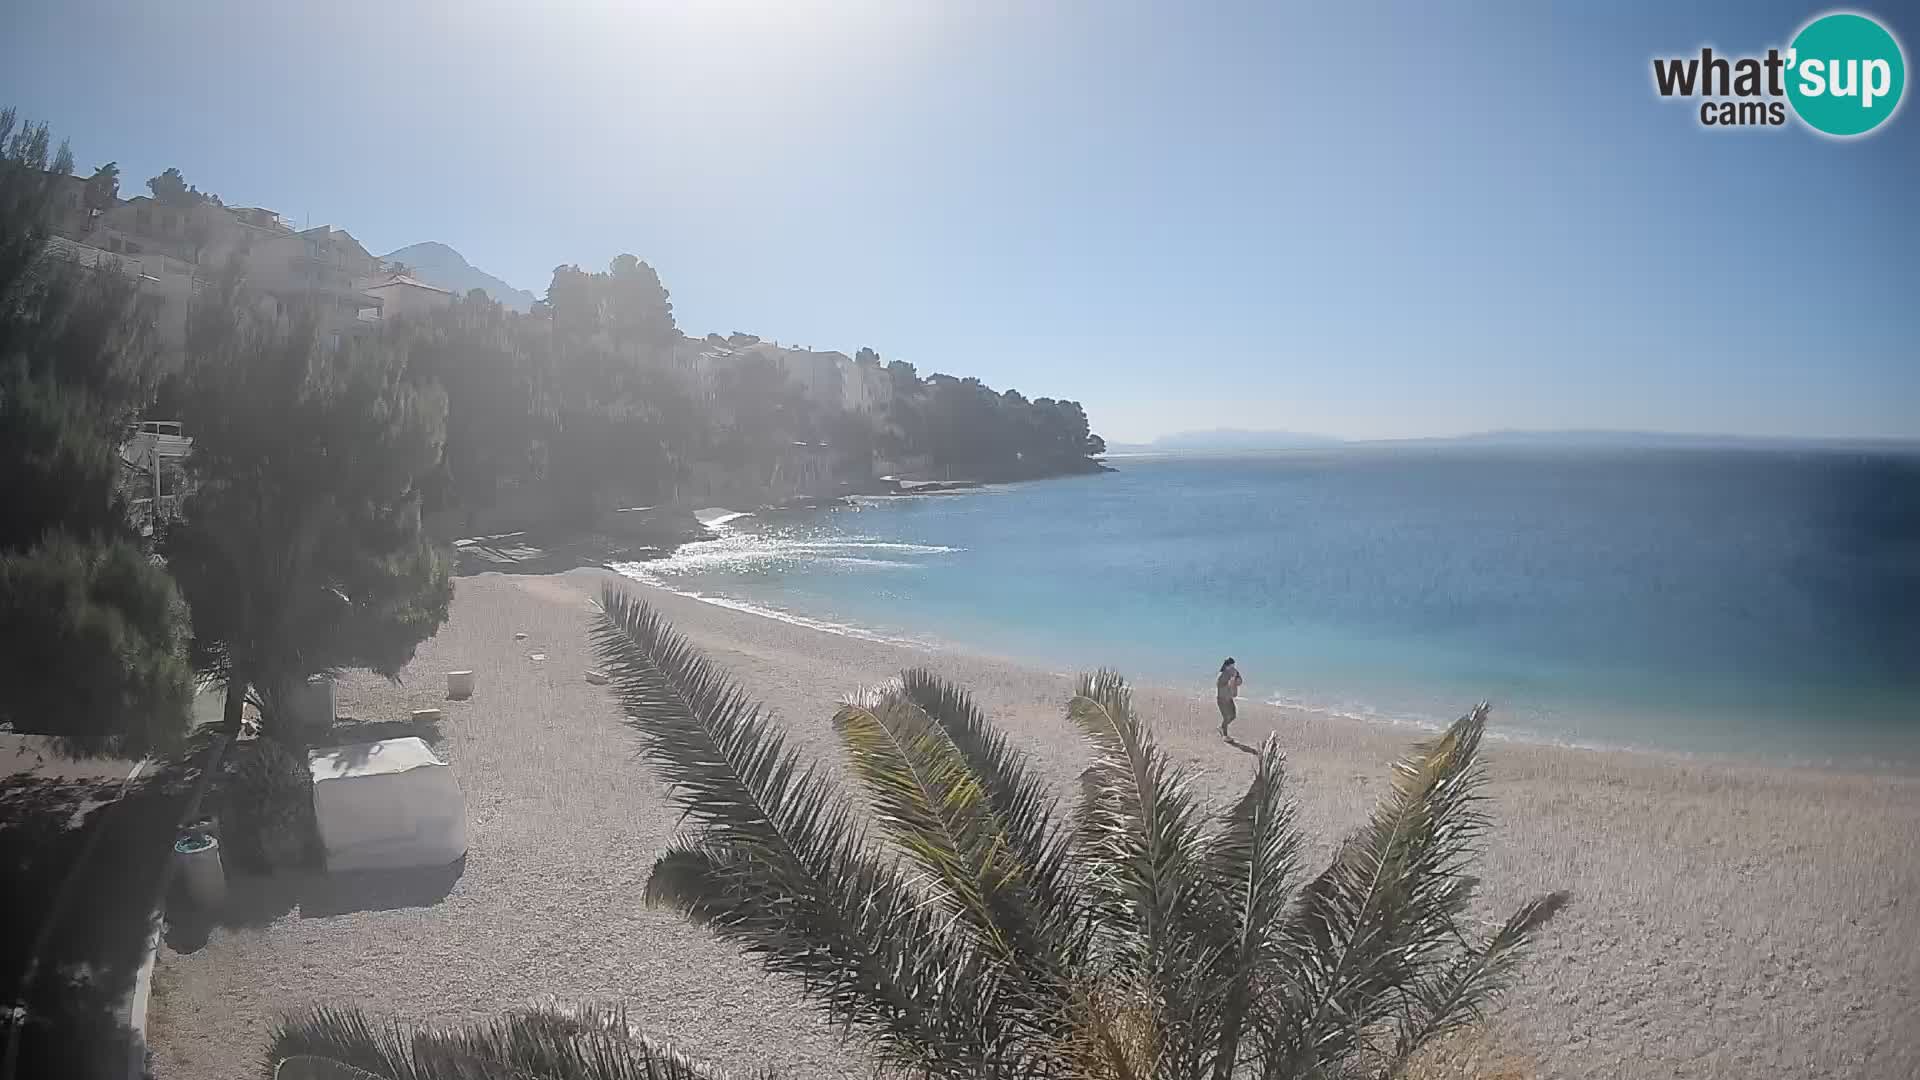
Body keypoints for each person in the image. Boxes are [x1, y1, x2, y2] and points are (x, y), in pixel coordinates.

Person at [1216, 657, 1242, 736]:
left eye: (1233, 665)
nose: (1233, 667)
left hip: (1229, 699)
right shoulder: (1222, 674)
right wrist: (1229, 683)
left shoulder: (1235, 672)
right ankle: (1225, 735)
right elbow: (1219, 686)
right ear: (1227, 666)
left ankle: (1221, 727)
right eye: (1231, 666)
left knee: (1233, 716)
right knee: (1226, 717)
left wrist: (1236, 679)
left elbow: (1240, 682)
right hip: (1222, 699)